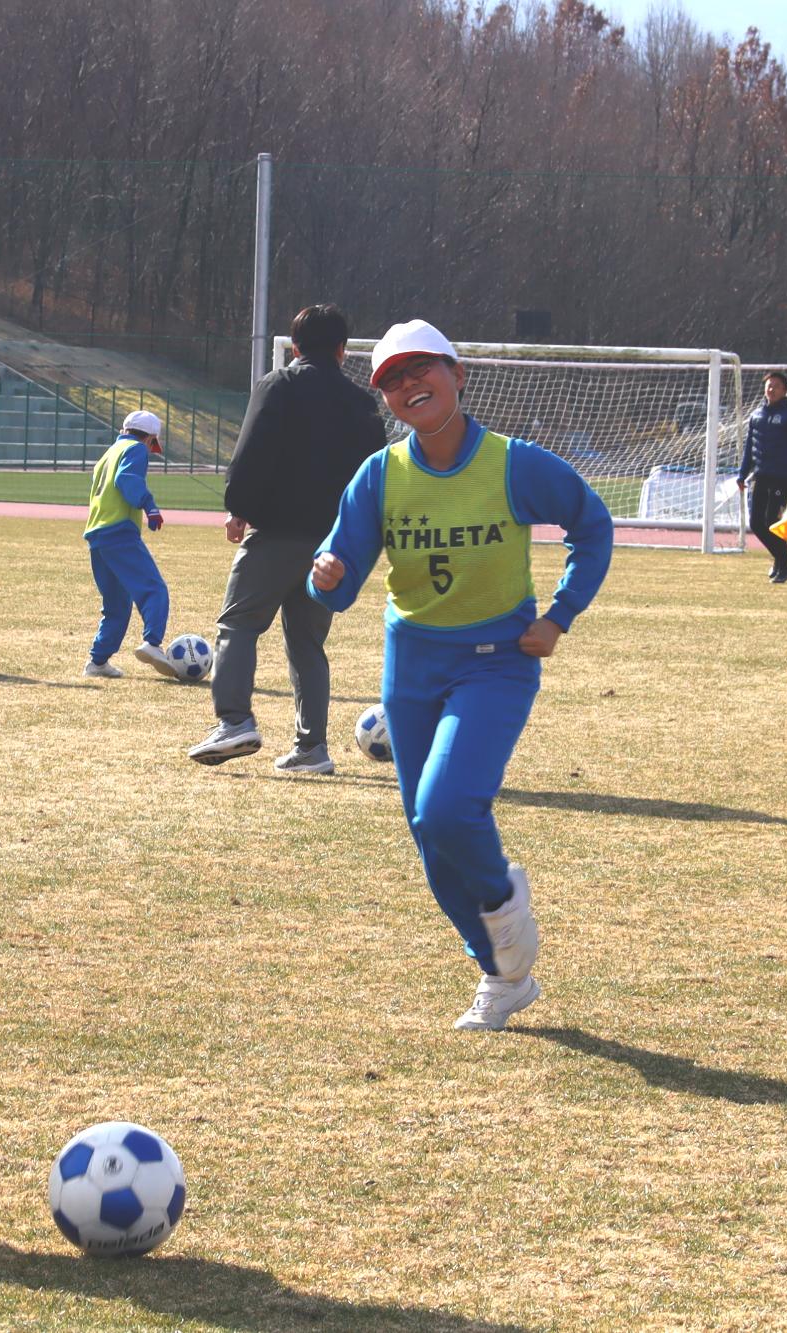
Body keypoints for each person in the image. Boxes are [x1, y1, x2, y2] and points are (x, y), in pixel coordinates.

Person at [309, 319, 612, 1032]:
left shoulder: (513, 464)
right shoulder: (380, 473)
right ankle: (500, 974)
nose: (409, 385)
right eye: (392, 379)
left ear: (458, 373)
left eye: (422, 370)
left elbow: (591, 527)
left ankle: (504, 903)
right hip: (411, 663)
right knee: (427, 832)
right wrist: (325, 573)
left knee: (447, 808)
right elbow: (338, 582)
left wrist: (559, 616)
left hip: (495, 664)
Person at [188, 303, 385, 772]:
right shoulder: (362, 402)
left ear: (294, 347)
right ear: (343, 351)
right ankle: (311, 748)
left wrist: (239, 508)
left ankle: (235, 721)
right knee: (306, 643)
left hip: (278, 532)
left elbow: (253, 449)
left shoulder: (280, 384)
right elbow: (377, 472)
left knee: (238, 624)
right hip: (333, 544)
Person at [82, 409, 174, 679]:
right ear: (150, 439)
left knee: (116, 604)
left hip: (96, 534)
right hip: (119, 531)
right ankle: (153, 642)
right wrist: (150, 506)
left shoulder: (109, 453)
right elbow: (127, 480)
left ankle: (97, 662)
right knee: (153, 588)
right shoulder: (136, 450)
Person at [739, 370, 787, 582]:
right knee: (756, 523)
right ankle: (781, 560)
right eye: (769, 385)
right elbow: (749, 448)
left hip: (782, 476)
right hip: (760, 476)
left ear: (785, 390)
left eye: (777, 386)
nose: (772, 389)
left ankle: (784, 565)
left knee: (772, 520)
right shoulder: (756, 416)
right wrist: (742, 474)